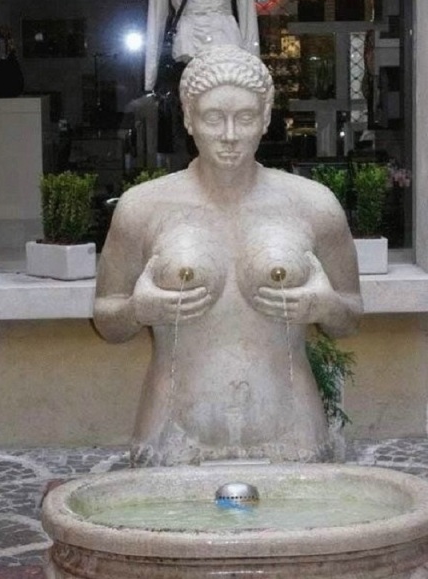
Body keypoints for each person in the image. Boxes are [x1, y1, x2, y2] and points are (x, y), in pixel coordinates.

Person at [94, 44, 363, 467]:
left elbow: (349, 317)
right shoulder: (143, 208)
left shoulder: (313, 205)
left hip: (293, 430)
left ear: (266, 118)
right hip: (173, 434)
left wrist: (324, 306)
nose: (230, 134)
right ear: (189, 118)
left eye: (246, 117)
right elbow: (108, 321)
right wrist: (137, 310)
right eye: (213, 118)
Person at [144, 0, 260, 93]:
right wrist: (255, 72)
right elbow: (247, 9)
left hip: (187, 44)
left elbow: (157, 9)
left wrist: (150, 77)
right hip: (226, 38)